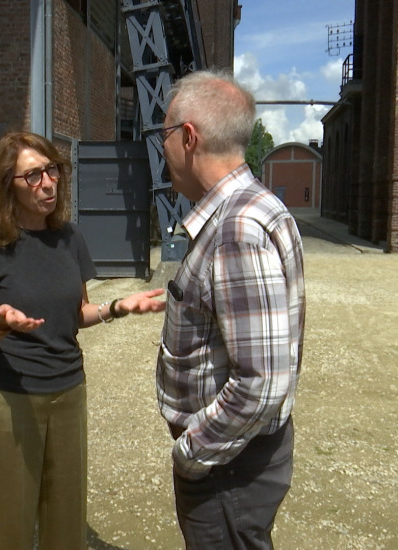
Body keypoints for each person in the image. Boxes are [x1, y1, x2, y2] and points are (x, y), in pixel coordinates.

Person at [0, 131, 165, 550]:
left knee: (66, 521)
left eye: (52, 170)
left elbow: (78, 313)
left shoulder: (69, 238)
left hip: (69, 391)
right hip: (11, 397)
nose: (48, 183)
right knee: (10, 522)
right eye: (32, 175)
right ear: (6, 184)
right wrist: (0, 322)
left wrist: (118, 307)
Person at [155, 70, 306, 549]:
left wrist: (192, 453)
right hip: (237, 461)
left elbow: (260, 382)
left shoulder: (237, 226)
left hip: (228, 469)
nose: (162, 150)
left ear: (188, 137)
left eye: (162, 135)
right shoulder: (253, 209)